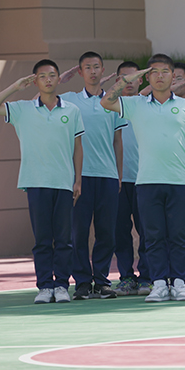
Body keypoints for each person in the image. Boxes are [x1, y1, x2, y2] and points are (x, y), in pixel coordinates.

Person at [101, 54, 185, 303]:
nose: (160, 76)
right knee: (153, 236)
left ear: (173, 76)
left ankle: (178, 283)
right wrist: (128, 79)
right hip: (147, 182)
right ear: (147, 77)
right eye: (154, 72)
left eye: (165, 71)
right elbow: (107, 101)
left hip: (179, 181)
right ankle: (158, 283)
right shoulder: (136, 104)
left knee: (179, 235)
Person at [0, 59, 84, 304]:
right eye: (42, 76)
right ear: (35, 81)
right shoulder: (22, 109)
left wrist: (78, 180)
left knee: (64, 240)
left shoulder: (71, 110)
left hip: (63, 183)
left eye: (52, 75)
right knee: (42, 240)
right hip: (36, 182)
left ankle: (61, 285)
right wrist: (15, 87)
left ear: (59, 78)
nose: (48, 80)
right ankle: (45, 287)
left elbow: (78, 147)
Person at [60, 52, 126, 300]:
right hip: (80, 177)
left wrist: (119, 175)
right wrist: (61, 80)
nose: (93, 71)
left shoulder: (113, 102)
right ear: (80, 72)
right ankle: (82, 282)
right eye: (87, 67)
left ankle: (101, 281)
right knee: (79, 232)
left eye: (96, 67)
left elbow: (118, 141)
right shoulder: (70, 100)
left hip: (107, 176)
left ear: (103, 70)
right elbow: (38, 100)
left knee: (106, 232)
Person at [112, 61, 152, 296]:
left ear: (141, 79)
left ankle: (147, 277)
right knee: (120, 232)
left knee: (147, 231)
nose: (128, 82)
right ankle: (126, 277)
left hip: (145, 178)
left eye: (132, 77)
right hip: (117, 180)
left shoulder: (148, 105)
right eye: (123, 78)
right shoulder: (109, 106)